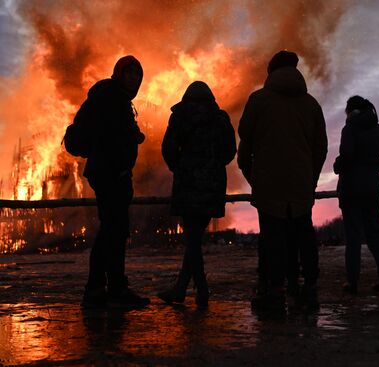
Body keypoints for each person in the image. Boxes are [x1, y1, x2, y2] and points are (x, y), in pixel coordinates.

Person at [238, 50, 328, 312]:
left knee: (272, 237)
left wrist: (252, 175)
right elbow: (320, 147)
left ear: (271, 71)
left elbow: (245, 140)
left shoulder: (258, 100)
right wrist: (309, 179)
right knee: (304, 235)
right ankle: (309, 290)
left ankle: (274, 292)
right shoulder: (311, 105)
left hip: (268, 183)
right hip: (300, 183)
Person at [157, 81, 236, 309]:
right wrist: (213, 166)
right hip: (213, 185)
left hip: (188, 183)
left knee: (192, 239)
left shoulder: (181, 115)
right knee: (194, 237)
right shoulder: (220, 119)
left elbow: (168, 148)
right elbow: (230, 150)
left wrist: (180, 168)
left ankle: (201, 290)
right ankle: (181, 288)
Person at [81, 55, 148, 308]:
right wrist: (120, 166)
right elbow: (111, 137)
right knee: (114, 231)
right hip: (111, 174)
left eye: (137, 75)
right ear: (119, 73)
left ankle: (99, 288)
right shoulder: (112, 97)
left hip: (107, 172)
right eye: (130, 73)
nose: (134, 78)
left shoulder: (113, 97)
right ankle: (113, 290)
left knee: (111, 230)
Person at [333, 96, 379, 294]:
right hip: (372, 189)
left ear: (350, 111)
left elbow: (347, 156)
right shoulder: (378, 129)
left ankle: (352, 282)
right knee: (374, 233)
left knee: (353, 236)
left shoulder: (350, 129)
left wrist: (337, 166)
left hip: (351, 189)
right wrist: (375, 169)